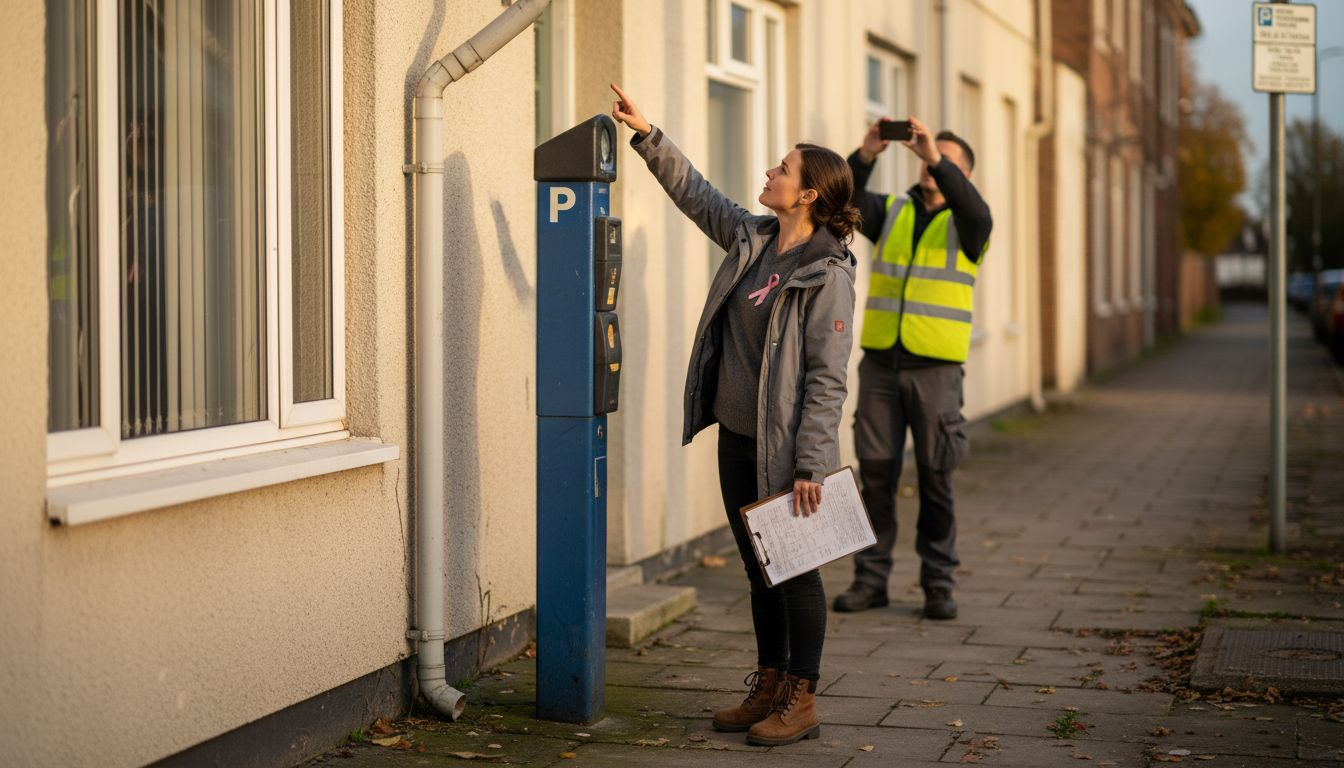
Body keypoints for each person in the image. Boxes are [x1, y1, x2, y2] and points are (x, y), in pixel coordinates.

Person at [610, 83, 858, 746]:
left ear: (809, 194)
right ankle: (769, 685)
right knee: (757, 565)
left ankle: (802, 699)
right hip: (736, 434)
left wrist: (811, 464)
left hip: (784, 449)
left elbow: (827, 381)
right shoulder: (752, 238)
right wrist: (648, 134)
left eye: (783, 169)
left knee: (795, 569)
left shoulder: (826, 270)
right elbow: (699, 195)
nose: (770, 174)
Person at [832, 117, 992, 620]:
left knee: (935, 478)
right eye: (924, 156)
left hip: (936, 372)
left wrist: (936, 159)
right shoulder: (893, 212)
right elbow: (843, 203)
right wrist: (866, 153)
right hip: (881, 366)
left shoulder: (971, 225)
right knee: (875, 477)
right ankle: (870, 579)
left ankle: (938, 584)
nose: (928, 163)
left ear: (961, 174)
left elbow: (972, 205)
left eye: (943, 160)